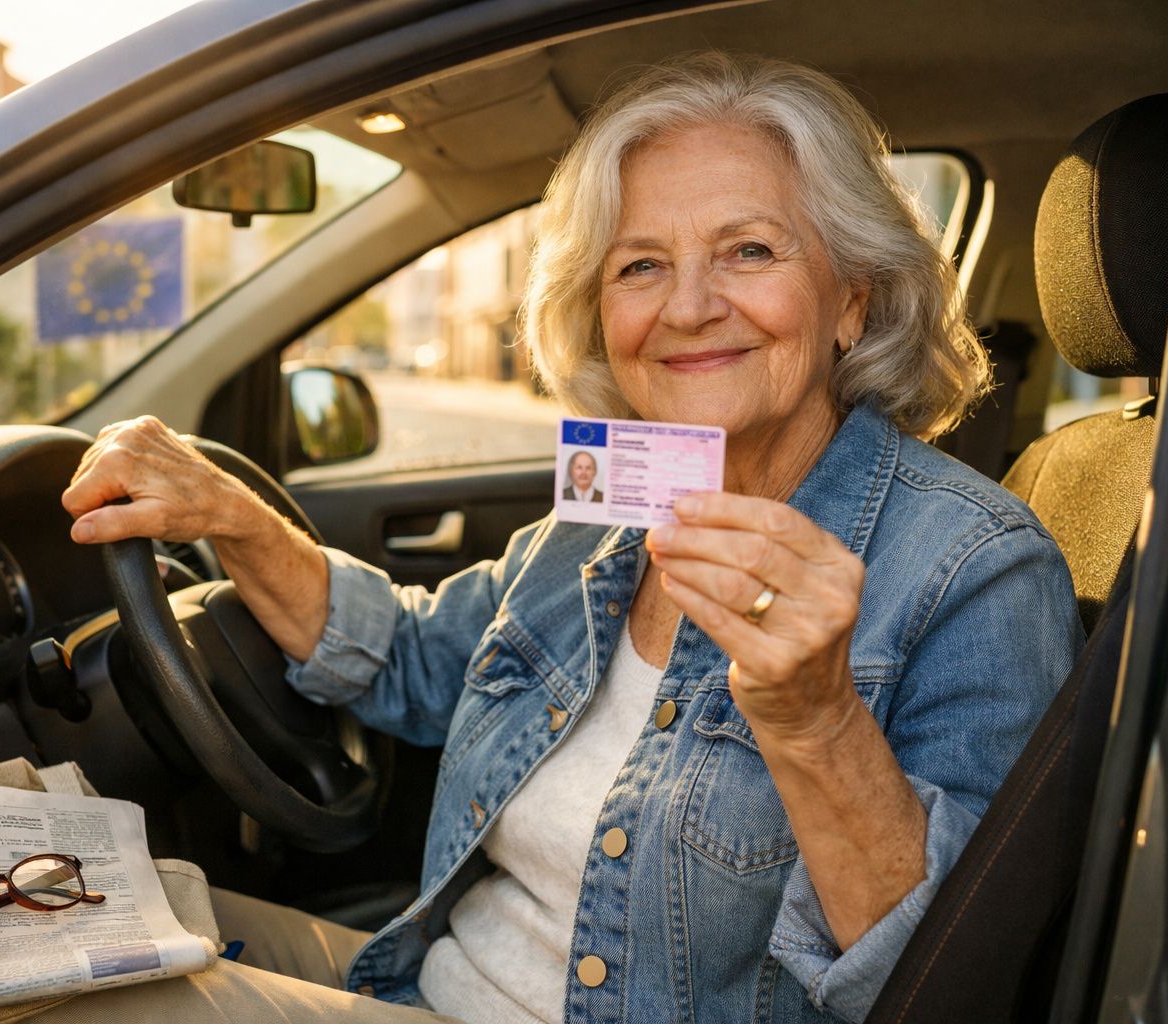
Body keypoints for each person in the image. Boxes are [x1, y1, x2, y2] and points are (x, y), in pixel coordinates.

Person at [60, 52, 1081, 1024]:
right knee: (64, 909)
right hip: (427, 982)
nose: (688, 306)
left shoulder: (976, 565)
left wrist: (816, 720)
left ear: (850, 299)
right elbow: (416, 655)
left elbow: (952, 980)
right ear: (600, 314)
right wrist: (233, 518)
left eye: (750, 249)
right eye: (640, 265)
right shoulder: (607, 513)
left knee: (47, 992)